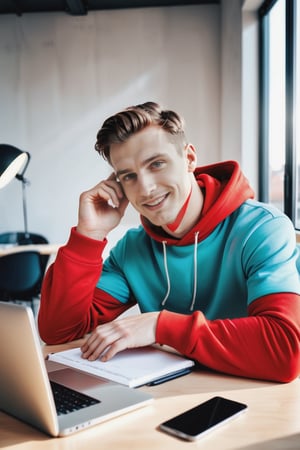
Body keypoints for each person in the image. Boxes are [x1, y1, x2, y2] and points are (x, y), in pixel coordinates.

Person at [38, 101, 300, 383]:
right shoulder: (132, 249)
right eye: (129, 176)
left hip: (250, 402)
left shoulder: (261, 229)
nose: (146, 188)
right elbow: (59, 331)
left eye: (157, 164)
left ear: (189, 158)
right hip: (167, 400)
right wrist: (88, 236)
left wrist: (160, 325)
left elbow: (284, 351)